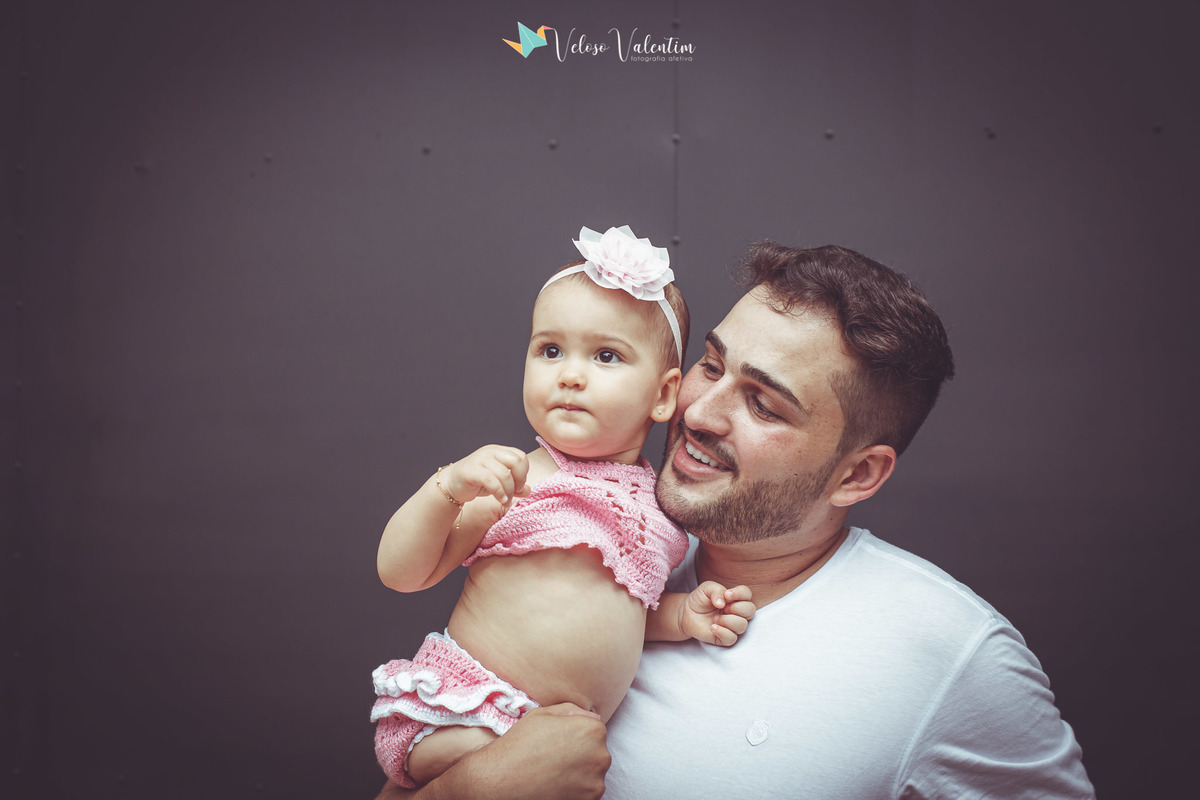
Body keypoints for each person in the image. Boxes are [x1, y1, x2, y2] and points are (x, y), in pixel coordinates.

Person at [374, 240, 1095, 799]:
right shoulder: (590, 542)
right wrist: (477, 789)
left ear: (858, 473)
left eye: (764, 403)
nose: (700, 412)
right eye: (712, 366)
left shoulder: (950, 655)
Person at [370, 225, 756, 788]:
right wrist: (445, 490)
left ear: (664, 395)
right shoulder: (512, 482)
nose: (570, 375)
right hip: (472, 711)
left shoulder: (658, 509)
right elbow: (402, 574)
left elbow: (620, 615)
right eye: (550, 350)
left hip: (562, 746)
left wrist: (681, 617)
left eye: (606, 356)